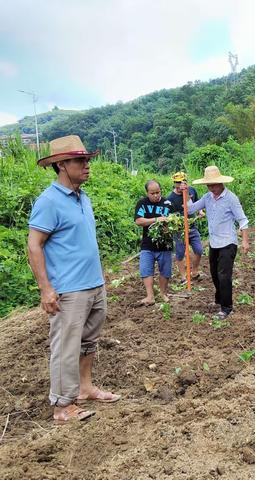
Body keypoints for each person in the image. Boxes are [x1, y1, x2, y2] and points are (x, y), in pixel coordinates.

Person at [28, 135, 120, 424]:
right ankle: (62, 405)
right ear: (61, 165)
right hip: (69, 289)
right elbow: (34, 245)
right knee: (65, 346)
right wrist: (46, 289)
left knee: (88, 342)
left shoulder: (84, 197)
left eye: (87, 159)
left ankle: (85, 388)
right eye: (80, 160)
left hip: (93, 283)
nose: (86, 165)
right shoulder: (49, 202)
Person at [181, 165, 249, 319]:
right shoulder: (207, 198)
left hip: (228, 243)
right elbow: (190, 210)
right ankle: (219, 300)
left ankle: (226, 308)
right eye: (209, 185)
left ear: (221, 182)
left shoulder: (231, 198)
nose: (211, 188)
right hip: (214, 243)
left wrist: (245, 241)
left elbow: (242, 220)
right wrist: (186, 193)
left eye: (214, 185)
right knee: (214, 274)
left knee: (224, 275)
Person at [134, 180, 173, 304]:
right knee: (146, 269)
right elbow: (139, 221)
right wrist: (157, 219)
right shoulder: (142, 203)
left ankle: (163, 293)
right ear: (147, 193)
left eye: (158, 192)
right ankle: (150, 296)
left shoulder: (168, 203)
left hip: (165, 244)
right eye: (152, 193)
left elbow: (174, 220)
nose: (156, 195)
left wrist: (169, 225)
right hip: (147, 244)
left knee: (165, 271)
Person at [167, 171, 204, 283]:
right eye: (178, 182)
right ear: (174, 183)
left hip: (192, 226)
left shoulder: (191, 190)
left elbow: (198, 203)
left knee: (199, 250)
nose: (180, 185)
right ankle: (183, 277)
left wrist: (200, 211)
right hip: (180, 230)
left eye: (182, 182)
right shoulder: (171, 198)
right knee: (180, 253)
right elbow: (170, 216)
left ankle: (195, 272)